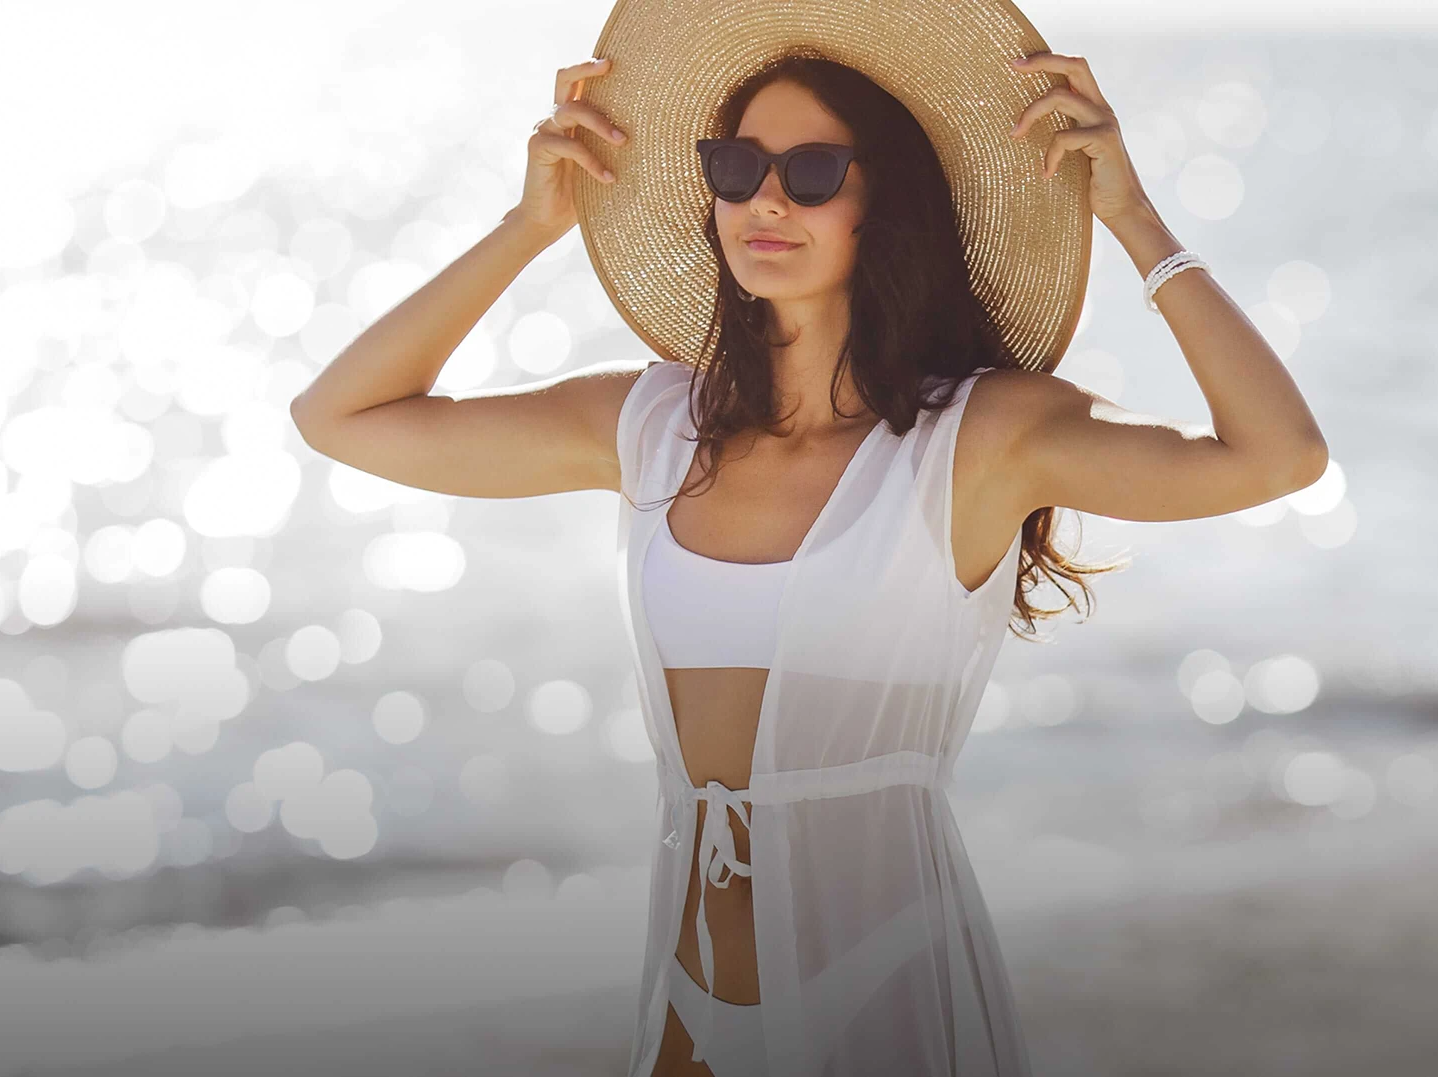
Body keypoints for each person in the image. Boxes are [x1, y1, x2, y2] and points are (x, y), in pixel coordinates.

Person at [290, 4, 1327, 1074]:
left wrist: (1137, 219)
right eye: (735, 166)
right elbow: (342, 418)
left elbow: (1277, 456)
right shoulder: (651, 427)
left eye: (814, 170)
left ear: (886, 203)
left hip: (884, 994)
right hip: (686, 1002)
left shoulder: (981, 438)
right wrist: (529, 228)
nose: (765, 199)